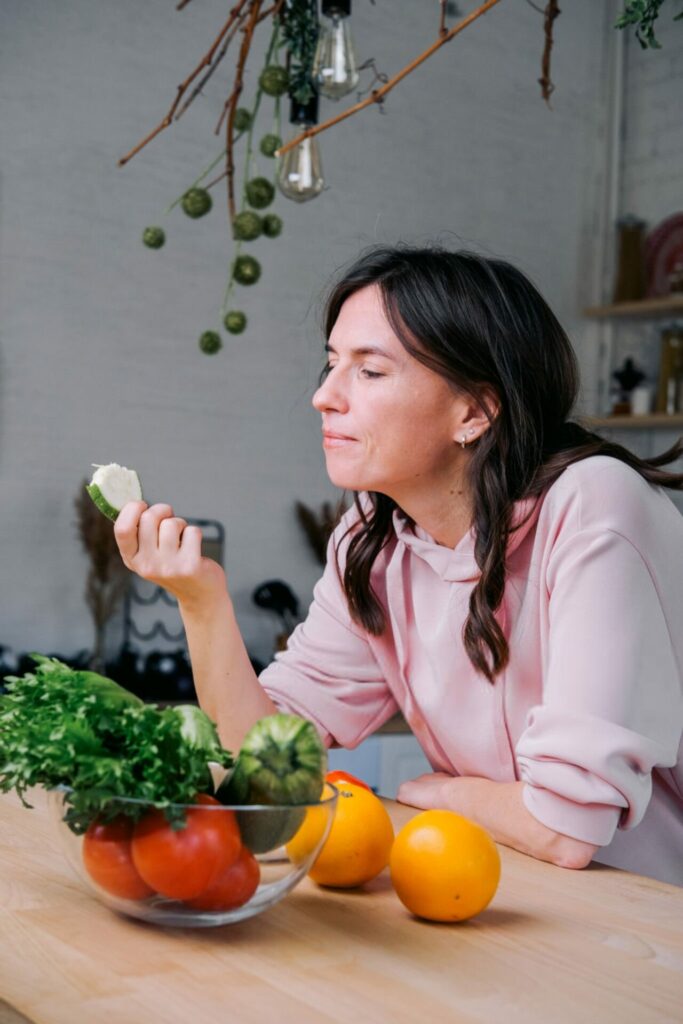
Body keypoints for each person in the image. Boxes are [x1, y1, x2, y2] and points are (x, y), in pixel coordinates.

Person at [114, 244, 683, 886]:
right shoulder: (373, 538)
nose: (323, 397)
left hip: (652, 925)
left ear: (474, 411)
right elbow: (261, 759)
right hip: (508, 896)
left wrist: (443, 793)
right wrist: (200, 601)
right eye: (331, 365)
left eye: (370, 371)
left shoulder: (594, 503)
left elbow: (567, 827)